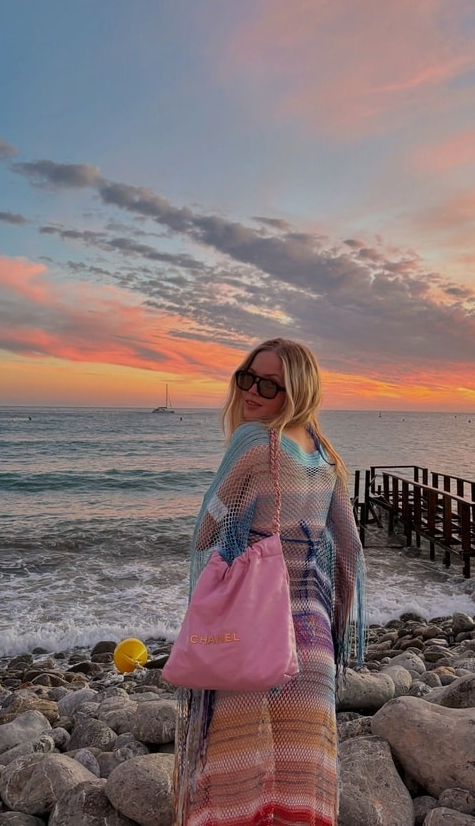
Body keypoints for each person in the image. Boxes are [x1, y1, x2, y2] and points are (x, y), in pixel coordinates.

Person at [174, 337, 366, 826]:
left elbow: (206, 532)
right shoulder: (326, 457)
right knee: (302, 775)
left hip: (255, 633)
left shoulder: (256, 443)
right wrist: (333, 629)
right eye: (247, 377)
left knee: (238, 771)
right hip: (313, 643)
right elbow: (350, 553)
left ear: (296, 392)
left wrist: (242, 529)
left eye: (269, 384)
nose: (251, 391)